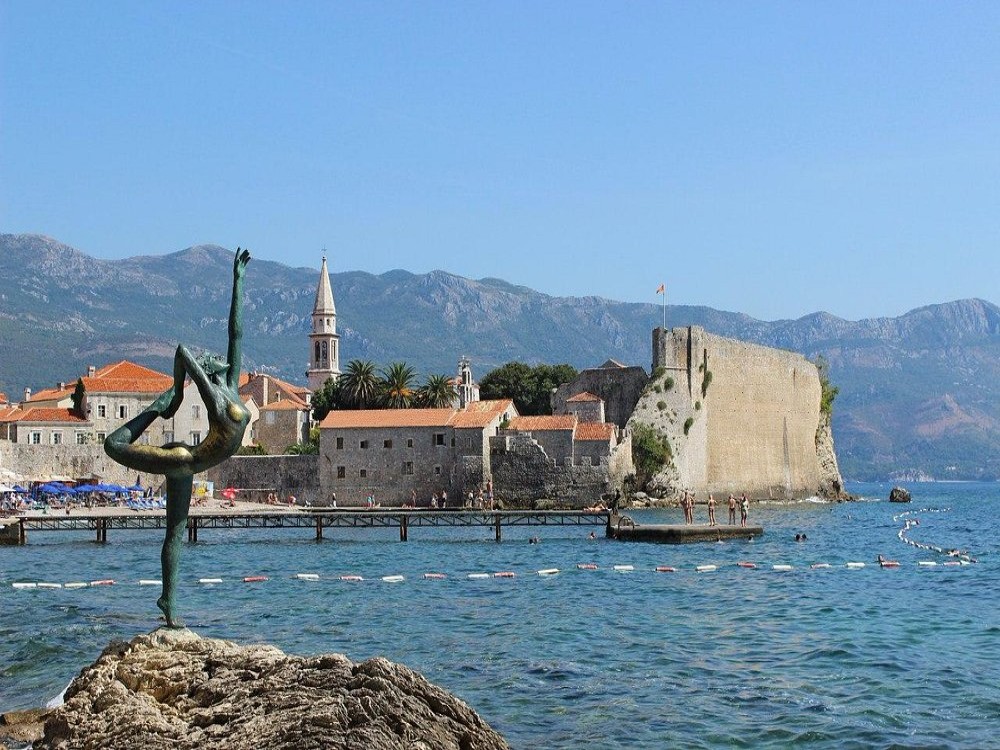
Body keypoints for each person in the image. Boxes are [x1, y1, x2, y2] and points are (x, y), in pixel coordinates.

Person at [104, 248, 252, 628]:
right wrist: (177, 392)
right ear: (207, 370)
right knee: (112, 446)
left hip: (190, 465)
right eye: (211, 359)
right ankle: (154, 408)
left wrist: (237, 281)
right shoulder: (216, 397)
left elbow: (235, 330)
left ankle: (167, 601)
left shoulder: (231, 386)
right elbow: (184, 351)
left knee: (176, 532)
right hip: (182, 459)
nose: (217, 357)